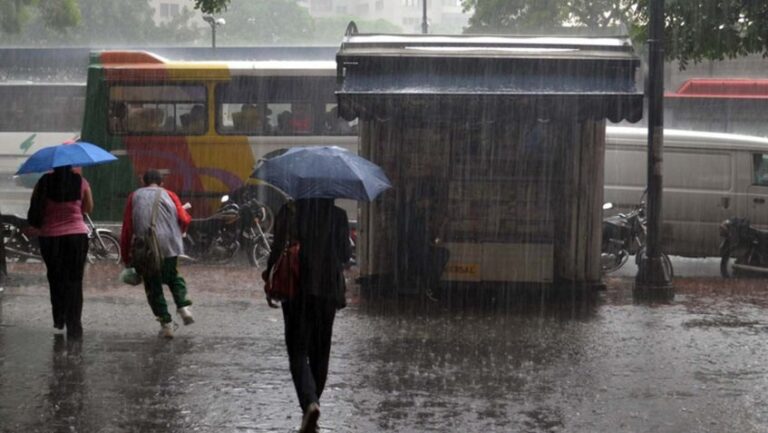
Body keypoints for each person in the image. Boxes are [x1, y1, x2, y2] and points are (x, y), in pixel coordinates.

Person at [263, 198, 351, 433]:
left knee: (298, 352)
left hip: (296, 289)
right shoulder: (338, 216)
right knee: (321, 353)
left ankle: (310, 403)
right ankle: (312, 407)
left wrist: (268, 277)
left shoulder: (289, 211)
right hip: (328, 291)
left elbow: (277, 249)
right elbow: (345, 254)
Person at [120, 170, 193, 339]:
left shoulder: (134, 196)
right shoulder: (170, 195)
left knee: (153, 285)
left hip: (146, 247)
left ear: (143, 181)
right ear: (161, 183)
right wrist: (178, 231)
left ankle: (166, 324)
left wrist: (126, 256)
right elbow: (184, 219)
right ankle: (183, 307)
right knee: (173, 276)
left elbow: (127, 228)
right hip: (169, 245)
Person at [27, 166, 93, 339]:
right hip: (76, 237)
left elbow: (35, 207)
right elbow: (88, 208)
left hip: (50, 238)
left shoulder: (44, 182)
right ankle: (74, 324)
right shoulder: (81, 182)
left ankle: (59, 317)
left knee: (56, 278)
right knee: (75, 281)